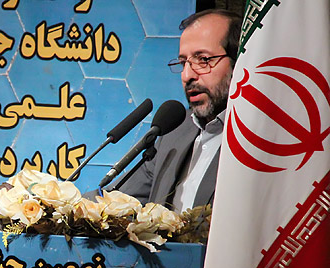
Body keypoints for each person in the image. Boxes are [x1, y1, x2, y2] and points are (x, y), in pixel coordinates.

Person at [101, 9, 243, 212]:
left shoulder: (257, 140)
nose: (187, 75)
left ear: (238, 63)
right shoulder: (175, 130)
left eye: (203, 60)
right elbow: (117, 200)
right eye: (183, 62)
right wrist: (60, 203)